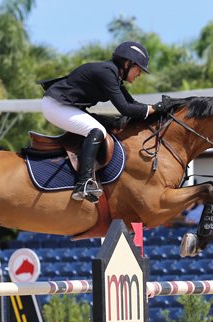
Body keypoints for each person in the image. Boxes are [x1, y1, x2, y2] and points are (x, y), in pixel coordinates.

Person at [40, 41, 157, 203]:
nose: (139, 74)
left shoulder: (113, 75)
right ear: (127, 63)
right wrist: (155, 109)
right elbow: (125, 108)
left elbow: (133, 104)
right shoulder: (107, 73)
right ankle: (84, 182)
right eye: (139, 69)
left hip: (64, 105)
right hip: (56, 105)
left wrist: (157, 108)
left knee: (105, 125)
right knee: (97, 130)